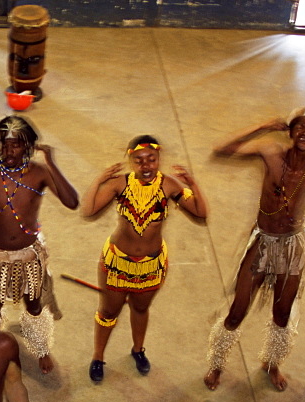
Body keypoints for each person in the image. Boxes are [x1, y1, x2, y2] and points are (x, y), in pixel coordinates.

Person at [203, 105, 305, 392]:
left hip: (293, 246)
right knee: (236, 311)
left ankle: (272, 363)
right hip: (263, 242)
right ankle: (217, 364)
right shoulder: (271, 153)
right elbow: (221, 150)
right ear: (290, 132)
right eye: (299, 125)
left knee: (282, 314)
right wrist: (263, 126)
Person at [0, 115, 79, 374]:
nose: (9, 151)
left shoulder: (39, 173)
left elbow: (72, 201)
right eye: (4, 144)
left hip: (29, 254)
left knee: (33, 304)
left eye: (16, 145)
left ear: (28, 146)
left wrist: (52, 164)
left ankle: (41, 347)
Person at [81, 135, 209, 381]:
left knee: (141, 308)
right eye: (139, 160)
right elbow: (88, 210)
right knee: (109, 312)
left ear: (159, 159)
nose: (146, 165)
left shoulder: (170, 185)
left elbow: (201, 213)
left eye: (151, 159)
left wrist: (193, 184)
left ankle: (138, 350)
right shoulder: (120, 184)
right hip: (117, 262)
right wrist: (100, 179)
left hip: (152, 264)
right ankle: (98, 357)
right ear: (130, 161)